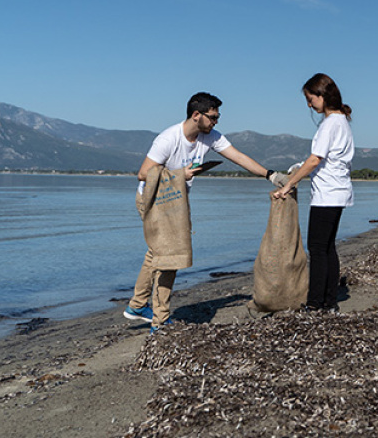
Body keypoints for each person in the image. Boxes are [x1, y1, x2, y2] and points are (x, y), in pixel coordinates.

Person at [125, 92, 285, 332]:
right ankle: (159, 322)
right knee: (169, 256)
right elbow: (143, 173)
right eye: (212, 117)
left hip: (175, 201)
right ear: (196, 115)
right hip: (152, 200)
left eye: (217, 117)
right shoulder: (168, 139)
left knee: (157, 253)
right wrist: (182, 174)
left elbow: (238, 157)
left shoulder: (210, 136)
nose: (216, 122)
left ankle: (137, 306)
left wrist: (270, 175)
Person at [272, 74, 354, 313]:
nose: (309, 105)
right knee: (328, 247)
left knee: (318, 248)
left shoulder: (330, 124)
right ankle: (329, 302)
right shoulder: (343, 122)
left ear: (322, 96)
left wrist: (289, 184)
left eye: (310, 99)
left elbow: (315, 160)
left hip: (327, 193)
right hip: (339, 192)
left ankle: (315, 303)